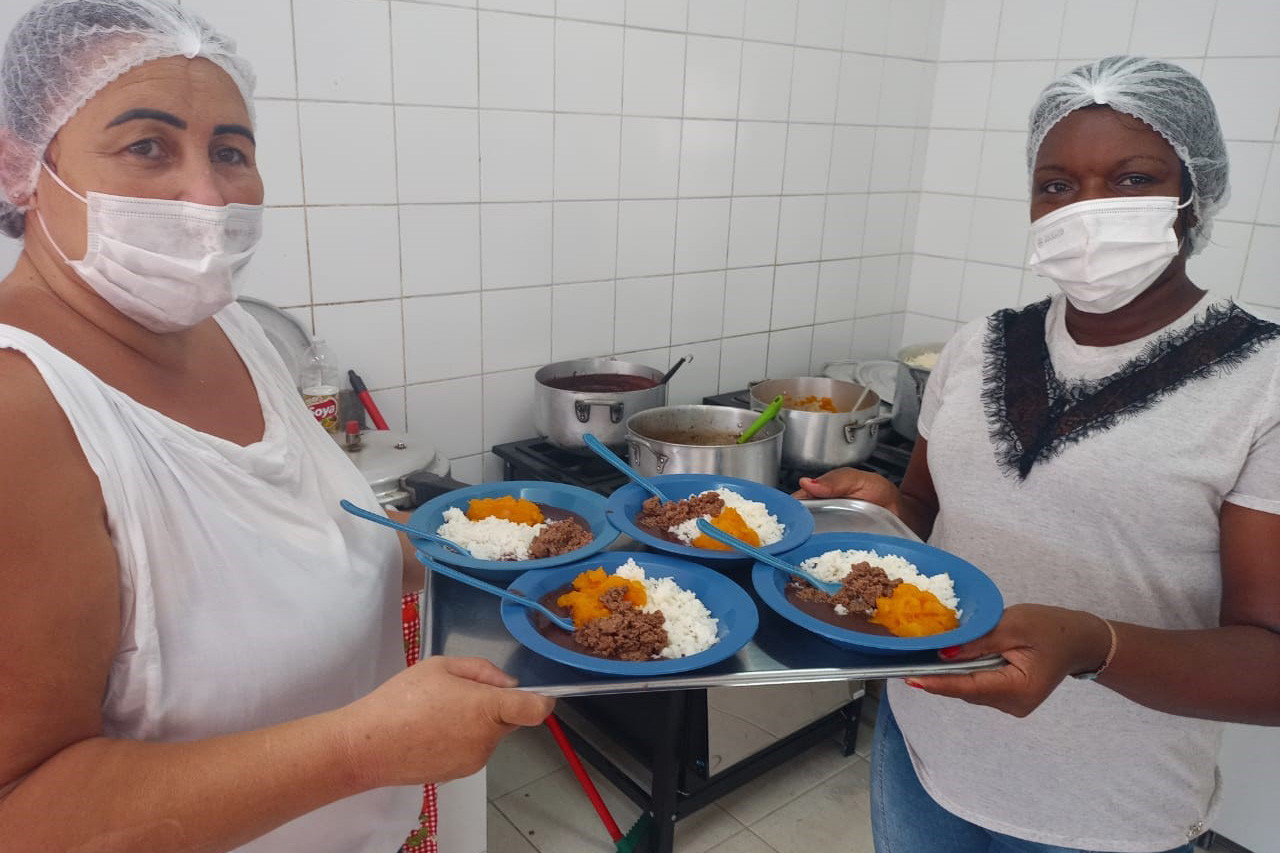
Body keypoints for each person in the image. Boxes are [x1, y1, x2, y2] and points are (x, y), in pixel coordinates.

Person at [0, 2, 553, 851]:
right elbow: (22, 816)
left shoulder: (229, 328)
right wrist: (360, 749)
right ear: (20, 167)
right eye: (148, 145)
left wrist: (440, 542)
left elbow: (285, 527)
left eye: (231, 151)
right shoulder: (20, 410)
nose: (207, 196)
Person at [797, 56, 1280, 853]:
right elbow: (924, 511)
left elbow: (1269, 661)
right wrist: (884, 507)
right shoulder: (979, 343)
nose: (1086, 210)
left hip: (1103, 807)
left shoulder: (1261, 384)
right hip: (922, 740)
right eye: (1056, 185)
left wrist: (1096, 643)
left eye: (1132, 179)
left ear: (1193, 193)